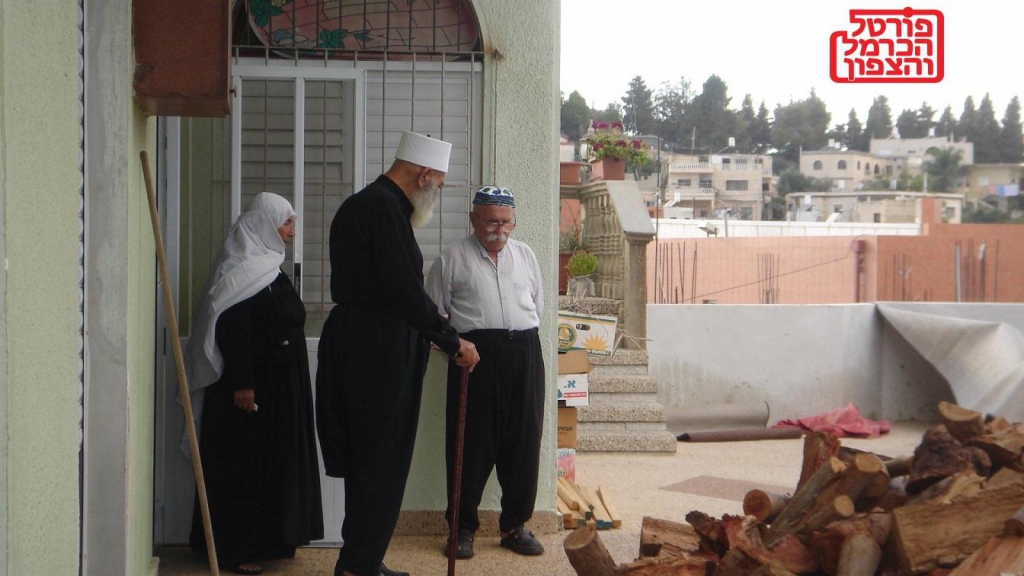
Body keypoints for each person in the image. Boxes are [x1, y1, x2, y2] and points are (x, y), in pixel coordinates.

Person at [316, 131, 481, 576]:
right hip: (376, 350)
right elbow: (403, 292)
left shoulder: (366, 204)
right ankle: (359, 564)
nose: (437, 193)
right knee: (379, 460)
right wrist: (451, 340)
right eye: (439, 184)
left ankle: (360, 559)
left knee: (369, 459)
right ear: (424, 174)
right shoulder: (385, 209)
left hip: (364, 340)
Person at [183, 192, 324, 576]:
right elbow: (232, 328)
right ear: (265, 223)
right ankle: (233, 548)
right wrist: (243, 383)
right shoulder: (240, 268)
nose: (292, 232)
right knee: (240, 467)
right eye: (287, 223)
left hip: (279, 388)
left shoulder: (269, 266)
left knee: (271, 465)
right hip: (248, 390)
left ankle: (270, 539)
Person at [425, 185, 546, 560]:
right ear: (473, 219)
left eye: (506, 221)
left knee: (523, 442)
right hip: (477, 357)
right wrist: (456, 348)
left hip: (524, 352)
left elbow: (536, 306)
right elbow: (433, 318)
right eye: (491, 220)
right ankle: (461, 529)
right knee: (470, 445)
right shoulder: (452, 258)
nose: (499, 229)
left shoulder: (525, 255)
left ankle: (515, 525)